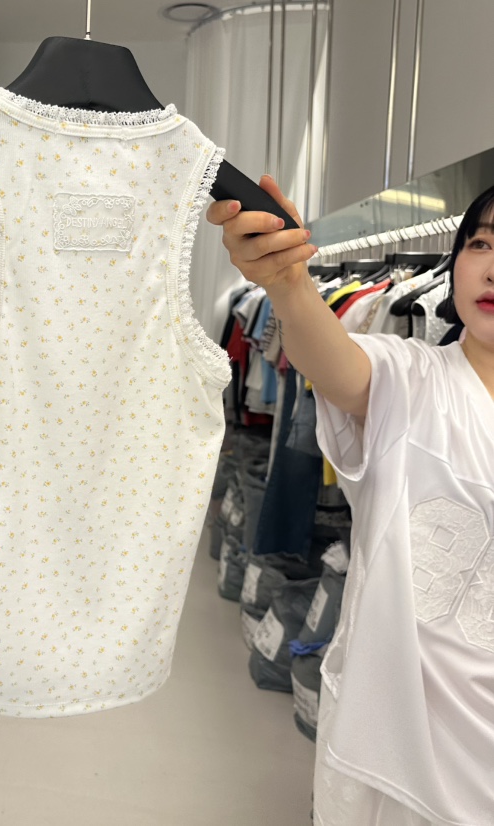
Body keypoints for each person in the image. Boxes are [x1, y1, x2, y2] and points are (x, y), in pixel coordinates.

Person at [208, 178, 494, 826]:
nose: (492, 266)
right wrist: (289, 284)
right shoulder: (411, 380)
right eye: (480, 243)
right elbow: (333, 361)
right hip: (395, 760)